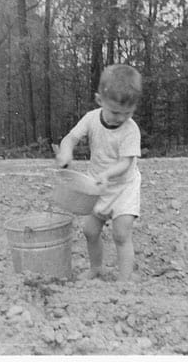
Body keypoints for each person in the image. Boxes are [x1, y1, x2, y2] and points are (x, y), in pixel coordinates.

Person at [55, 64, 142, 283]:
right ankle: (96, 268)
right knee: (90, 230)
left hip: (123, 187)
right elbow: (71, 138)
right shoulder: (91, 119)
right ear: (99, 100)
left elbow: (125, 163)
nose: (120, 118)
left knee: (122, 233)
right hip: (97, 187)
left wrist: (107, 174)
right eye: (114, 112)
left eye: (127, 113)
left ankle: (124, 280)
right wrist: (66, 153)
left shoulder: (131, 129)